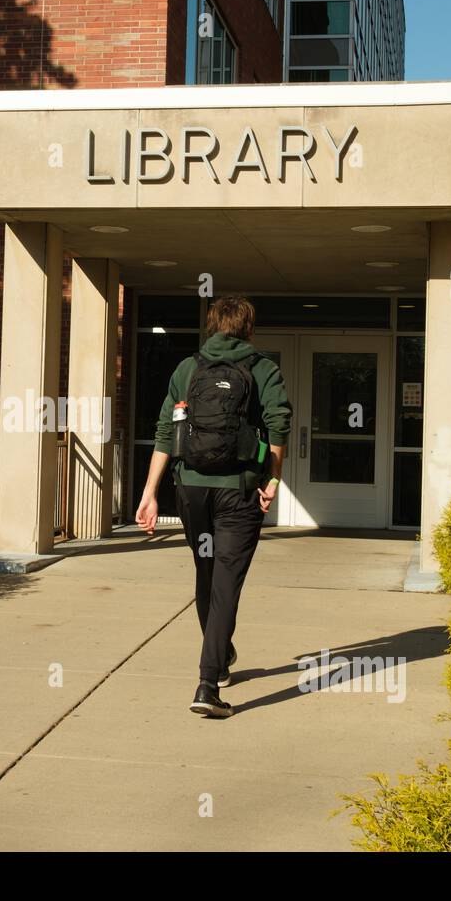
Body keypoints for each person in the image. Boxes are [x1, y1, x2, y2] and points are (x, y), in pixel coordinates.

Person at [134, 296, 292, 718]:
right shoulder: (263, 369)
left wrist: (150, 492)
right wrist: (272, 478)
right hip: (238, 492)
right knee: (227, 583)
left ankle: (219, 658)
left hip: (192, 491)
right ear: (248, 328)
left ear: (211, 325)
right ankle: (208, 683)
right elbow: (278, 424)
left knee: (207, 571)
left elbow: (166, 431)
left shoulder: (188, 368)